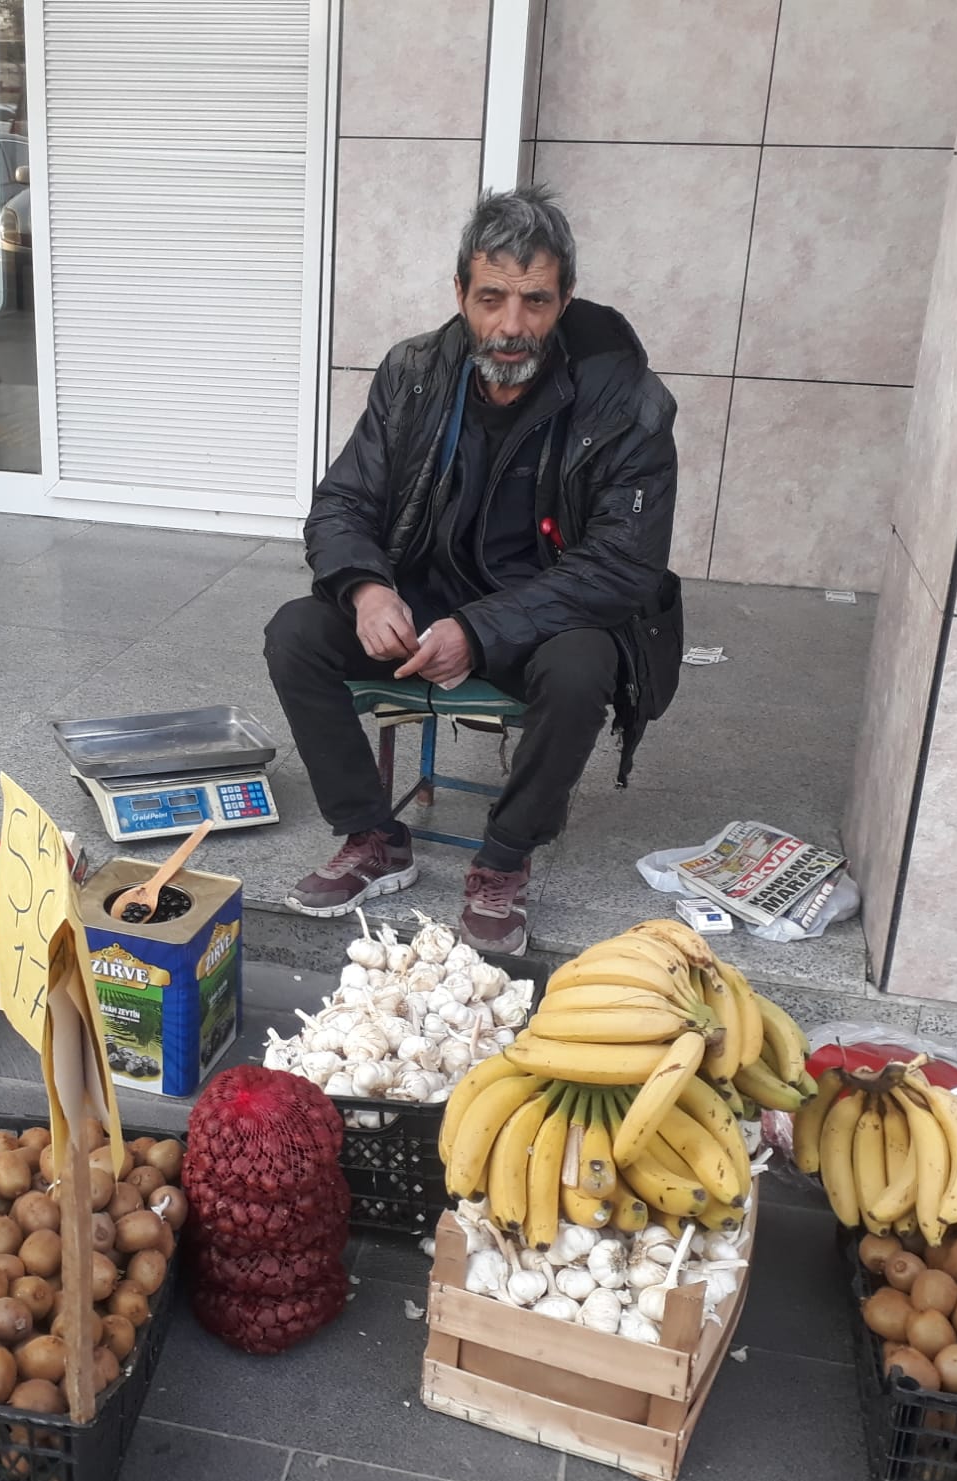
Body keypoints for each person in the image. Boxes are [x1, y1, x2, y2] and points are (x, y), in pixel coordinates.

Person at [264, 186, 682, 955]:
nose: (511, 326)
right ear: (460, 292)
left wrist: (481, 630)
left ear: (564, 301)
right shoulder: (416, 371)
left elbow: (625, 564)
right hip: (428, 597)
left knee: (587, 662)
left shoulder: (626, 399)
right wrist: (367, 587)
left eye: (534, 301)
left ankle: (502, 862)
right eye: (491, 298)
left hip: (546, 613)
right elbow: (341, 503)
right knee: (297, 631)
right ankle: (372, 836)